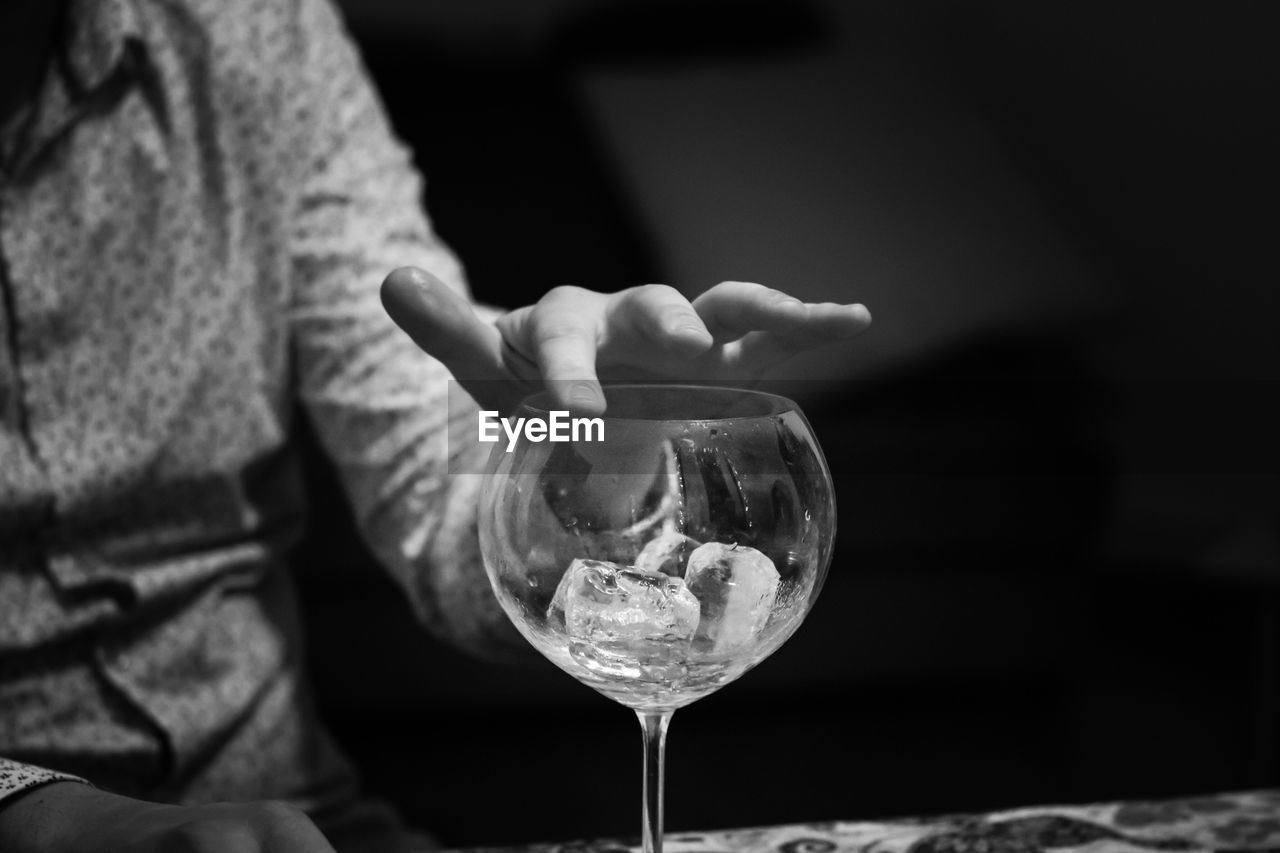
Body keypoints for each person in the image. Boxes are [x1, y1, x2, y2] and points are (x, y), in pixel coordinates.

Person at [0, 0, 870, 850]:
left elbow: (435, 482)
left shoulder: (260, 30)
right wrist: (40, 813)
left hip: (304, 822)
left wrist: (596, 461)